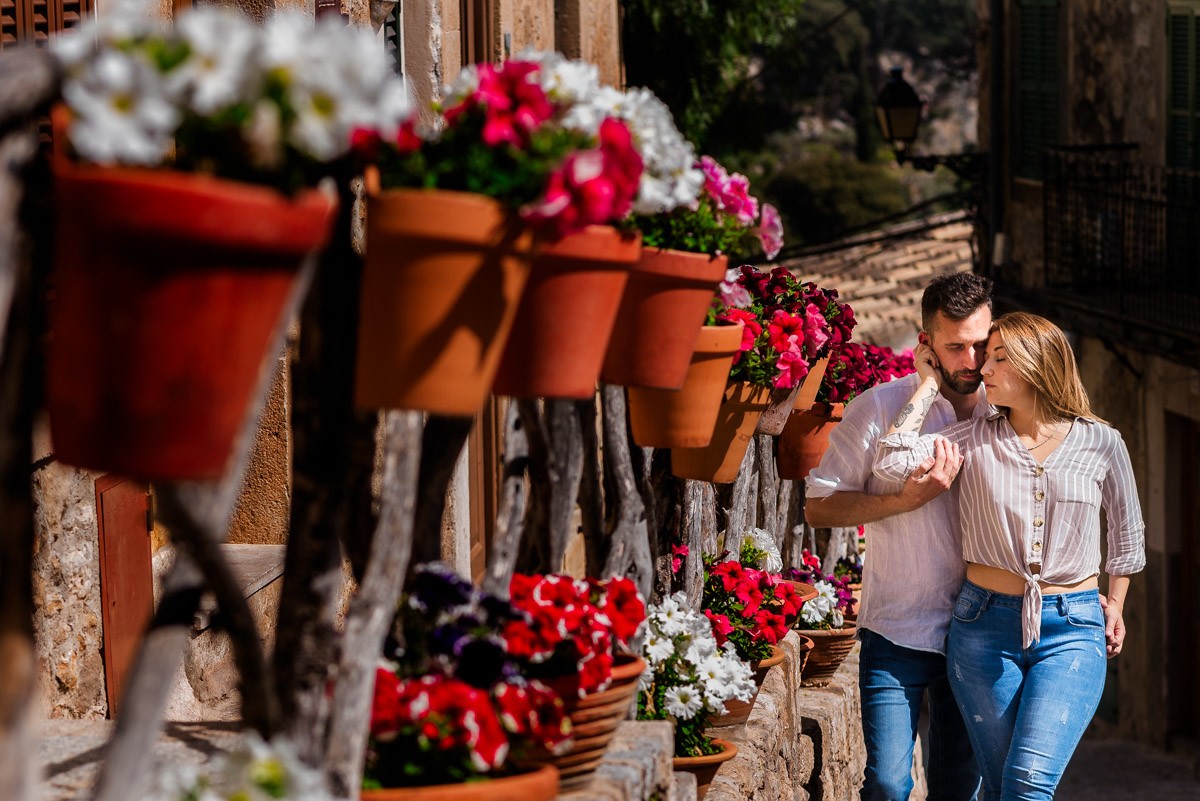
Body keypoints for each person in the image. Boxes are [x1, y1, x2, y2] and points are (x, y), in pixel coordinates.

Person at [872, 311, 1145, 801]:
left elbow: (1127, 534)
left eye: (998, 359)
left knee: (1027, 783)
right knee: (1000, 787)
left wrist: (1118, 603)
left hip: (1073, 630)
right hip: (982, 629)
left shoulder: (1101, 441)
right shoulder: (970, 440)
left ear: (1037, 364)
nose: (983, 370)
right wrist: (928, 384)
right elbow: (891, 462)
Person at [805, 272, 990, 801]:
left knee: (959, 789)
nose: (972, 361)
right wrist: (900, 502)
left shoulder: (1007, 413)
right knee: (887, 783)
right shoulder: (878, 409)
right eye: (956, 347)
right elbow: (818, 505)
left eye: (981, 344)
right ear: (925, 344)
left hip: (978, 635)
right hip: (896, 631)